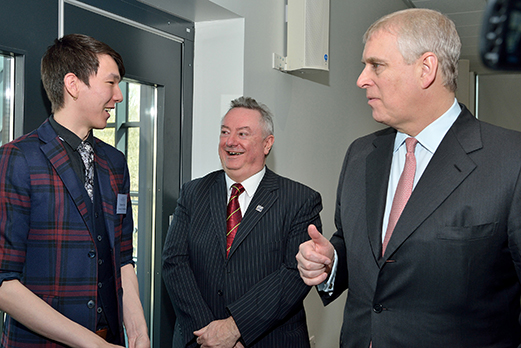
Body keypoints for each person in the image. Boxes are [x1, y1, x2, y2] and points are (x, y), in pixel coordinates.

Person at [296, 8, 521, 348]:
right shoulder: (360, 155)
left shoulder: (510, 159)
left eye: (377, 65)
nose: (361, 79)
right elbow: (359, 250)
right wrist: (330, 262)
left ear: (426, 69)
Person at [0, 34, 149, 347]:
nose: (119, 96)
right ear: (73, 83)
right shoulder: (18, 158)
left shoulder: (115, 162)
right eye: (111, 83)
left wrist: (137, 333)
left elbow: (123, 260)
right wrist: (90, 343)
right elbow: (4, 283)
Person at [162, 96, 322, 348]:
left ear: (267, 144)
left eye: (242, 134)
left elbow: (293, 276)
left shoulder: (299, 200)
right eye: (225, 132)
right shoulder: (193, 193)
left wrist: (234, 328)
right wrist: (211, 335)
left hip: (269, 340)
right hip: (199, 339)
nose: (230, 141)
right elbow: (174, 263)